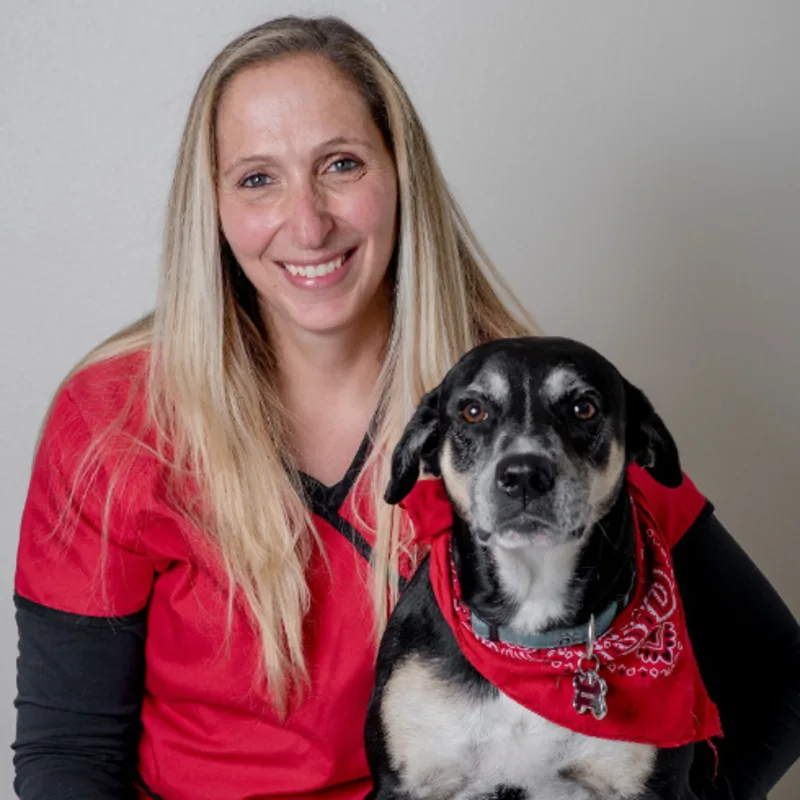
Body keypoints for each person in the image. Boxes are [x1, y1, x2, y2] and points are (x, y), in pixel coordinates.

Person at [11, 14, 799, 800]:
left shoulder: (532, 411)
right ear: (211, 207)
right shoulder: (112, 420)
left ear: (399, 176)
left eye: (342, 164)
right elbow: (70, 754)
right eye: (258, 178)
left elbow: (780, 677)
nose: (309, 222)